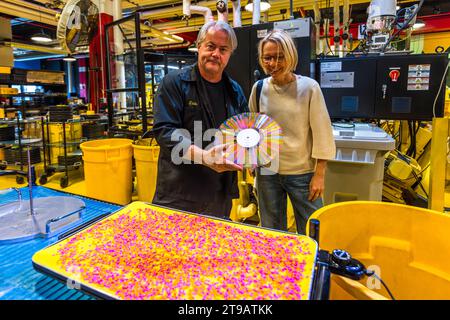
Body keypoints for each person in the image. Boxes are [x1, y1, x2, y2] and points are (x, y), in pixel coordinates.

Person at [152, 21, 249, 219]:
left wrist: (252, 153)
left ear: (229, 54)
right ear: (199, 46)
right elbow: (166, 131)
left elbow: (244, 132)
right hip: (179, 193)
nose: (216, 54)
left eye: (223, 49)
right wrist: (204, 156)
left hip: (219, 193)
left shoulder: (235, 91)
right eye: (211, 46)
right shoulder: (174, 83)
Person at [249, 30, 336, 234]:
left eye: (279, 56)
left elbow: (323, 132)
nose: (273, 63)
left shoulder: (309, 88)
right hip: (268, 171)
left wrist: (320, 175)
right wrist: (252, 161)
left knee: (312, 229)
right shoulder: (259, 88)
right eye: (267, 58)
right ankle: (277, 264)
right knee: (271, 230)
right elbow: (252, 129)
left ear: (290, 56)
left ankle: (313, 265)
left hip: (302, 173)